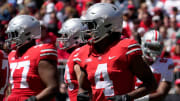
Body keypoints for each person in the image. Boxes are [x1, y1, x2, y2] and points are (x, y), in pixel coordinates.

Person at [75, 3, 157, 101]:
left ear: (107, 25)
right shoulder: (86, 51)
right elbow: (83, 87)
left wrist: (127, 97)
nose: (88, 30)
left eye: (91, 25)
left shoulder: (125, 47)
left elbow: (151, 83)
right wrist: (81, 95)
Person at [5, 15, 59, 101]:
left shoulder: (41, 51)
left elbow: (53, 87)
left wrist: (32, 100)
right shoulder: (12, 55)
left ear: (28, 34)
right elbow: (9, 88)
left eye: (14, 34)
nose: (11, 38)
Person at [135, 30, 174, 101]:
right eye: (150, 47)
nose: (152, 51)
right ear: (143, 44)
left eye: (156, 48)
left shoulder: (167, 63)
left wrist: (138, 99)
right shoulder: (134, 60)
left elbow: (161, 93)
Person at [57, 18, 89, 101]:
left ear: (77, 37)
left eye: (66, 35)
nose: (63, 38)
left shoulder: (78, 55)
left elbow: (83, 89)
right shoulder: (77, 53)